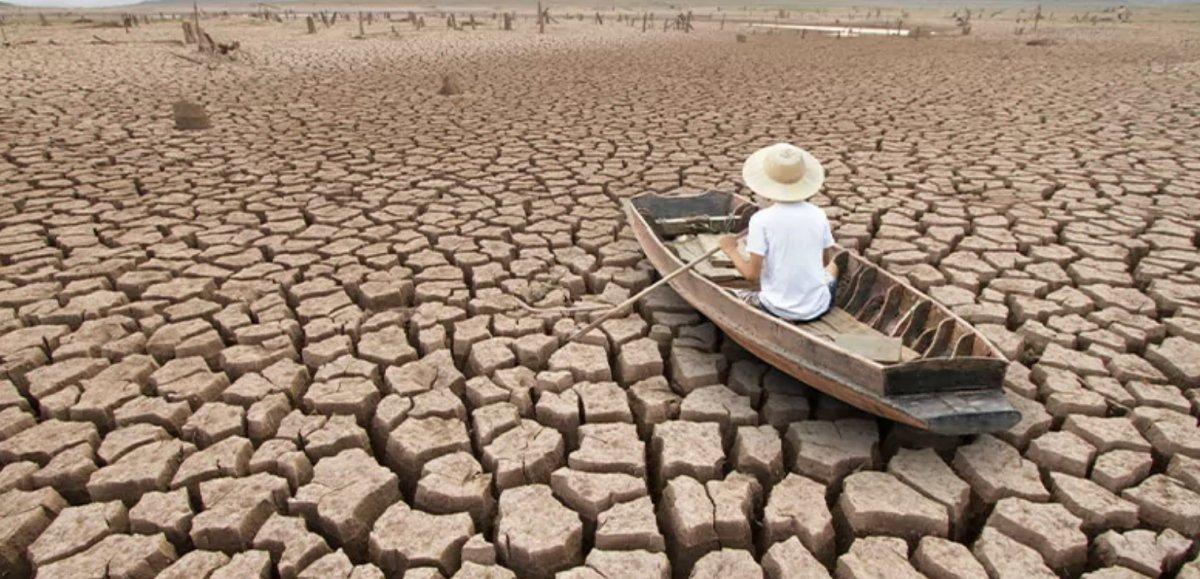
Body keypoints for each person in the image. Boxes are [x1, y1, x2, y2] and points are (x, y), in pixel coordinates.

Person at [717, 143, 839, 322]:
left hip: (776, 309)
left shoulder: (761, 220)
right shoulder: (818, 214)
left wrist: (730, 250)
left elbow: (751, 276)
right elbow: (825, 262)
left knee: (733, 293)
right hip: (819, 306)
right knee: (834, 266)